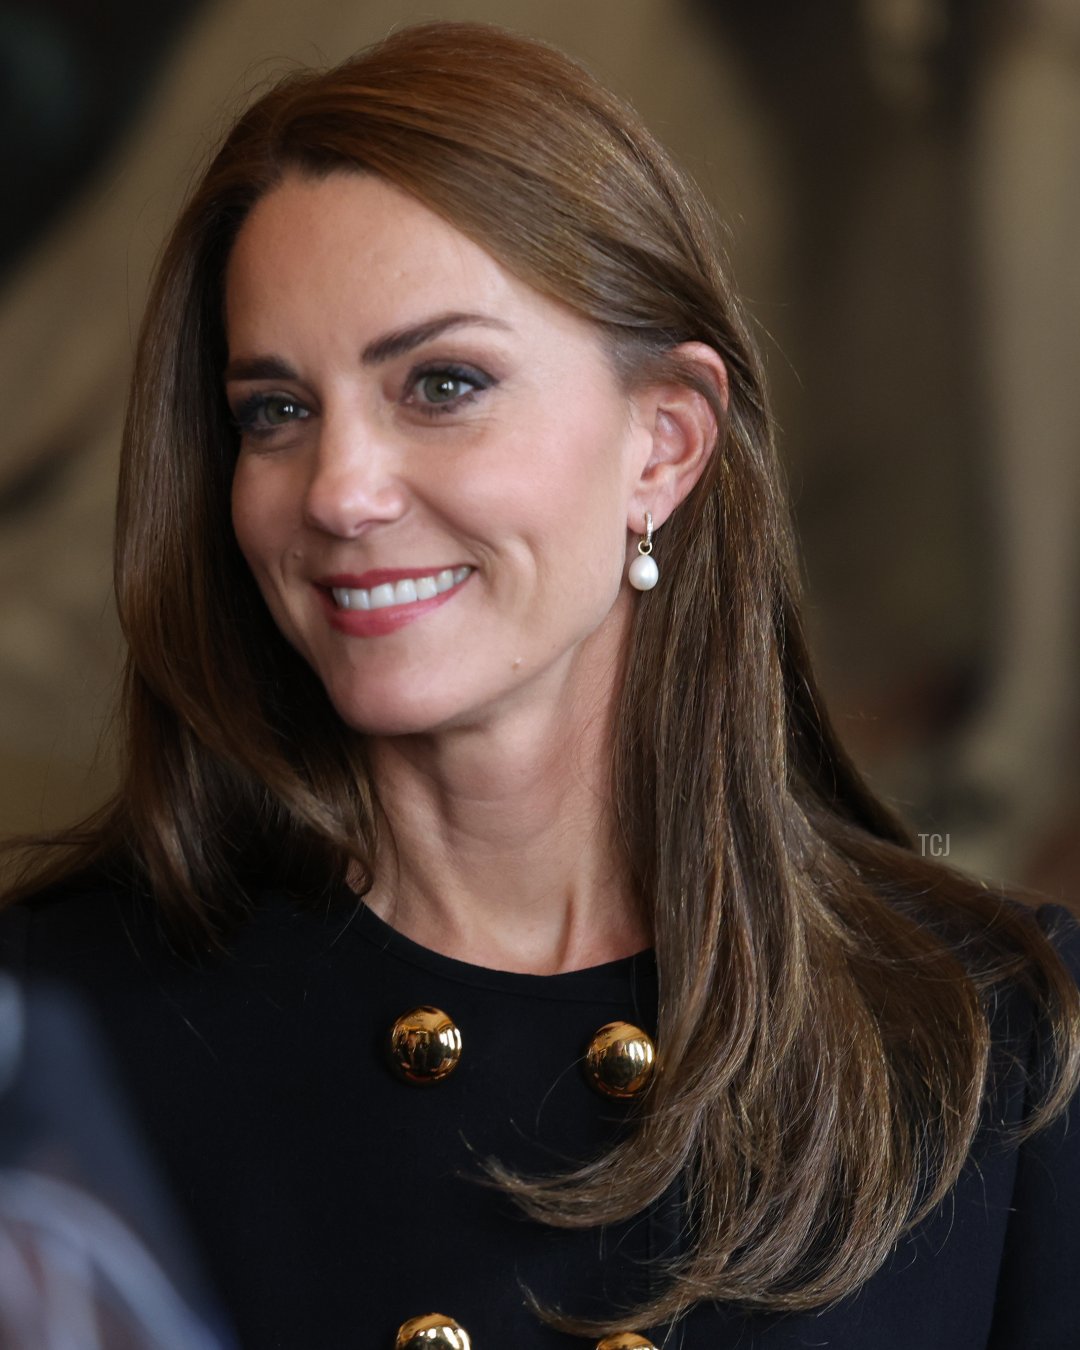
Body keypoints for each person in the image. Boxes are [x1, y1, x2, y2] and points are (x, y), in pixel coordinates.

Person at [1, 19, 1078, 1350]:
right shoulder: (55, 1023)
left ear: (664, 444)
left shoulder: (994, 1035)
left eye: (441, 384)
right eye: (275, 410)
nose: (338, 490)